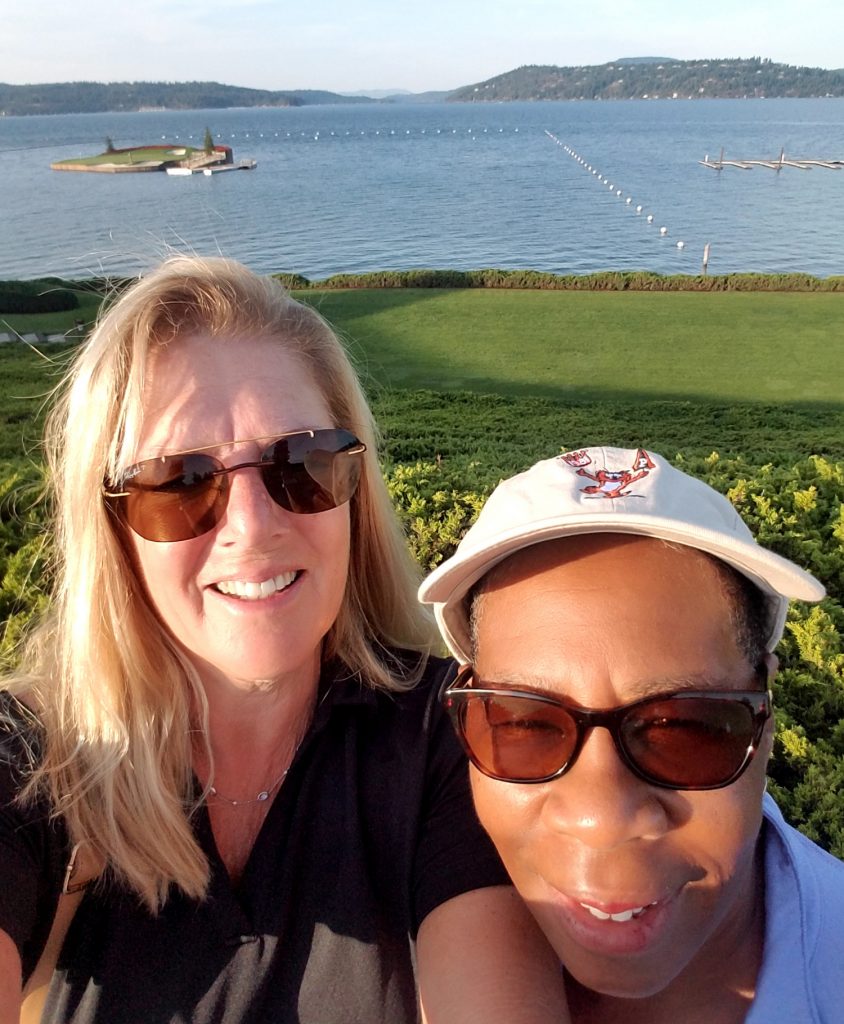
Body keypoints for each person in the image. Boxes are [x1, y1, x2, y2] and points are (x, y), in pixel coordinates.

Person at [0, 256, 568, 1024]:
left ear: (353, 491)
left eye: (300, 463)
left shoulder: (449, 737)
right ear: (111, 528)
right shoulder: (30, 768)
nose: (253, 526)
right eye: (177, 480)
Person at [420, 445, 844, 1024]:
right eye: (526, 723)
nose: (600, 815)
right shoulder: (389, 946)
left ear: (765, 711)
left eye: (680, 728)